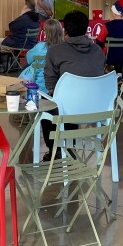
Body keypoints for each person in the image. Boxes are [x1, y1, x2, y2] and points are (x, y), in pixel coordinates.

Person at [41, 10, 106, 157]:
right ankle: (69, 146)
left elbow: (50, 85)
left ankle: (55, 149)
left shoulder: (55, 51)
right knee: (68, 99)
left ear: (65, 30)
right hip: (98, 108)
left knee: (48, 102)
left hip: (68, 109)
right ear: (86, 28)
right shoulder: (98, 51)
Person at [0, 0, 40, 74]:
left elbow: (11, 26)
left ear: (26, 7)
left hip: (21, 43)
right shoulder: (36, 18)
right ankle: (15, 65)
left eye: (23, 5)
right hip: (31, 43)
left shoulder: (24, 18)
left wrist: (20, 15)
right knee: (15, 38)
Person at [19, 18, 64, 91]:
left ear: (46, 33)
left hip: (38, 86)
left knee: (27, 66)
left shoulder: (40, 47)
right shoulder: (65, 48)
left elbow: (28, 58)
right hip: (58, 87)